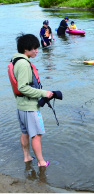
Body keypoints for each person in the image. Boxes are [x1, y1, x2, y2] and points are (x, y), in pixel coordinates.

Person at [8, 34, 54, 167]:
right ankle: (41, 162)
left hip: (21, 105)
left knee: (25, 132)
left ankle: (27, 157)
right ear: (25, 49)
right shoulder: (23, 64)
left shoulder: (16, 61)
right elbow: (23, 87)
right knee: (37, 135)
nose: (37, 51)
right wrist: (44, 93)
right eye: (34, 48)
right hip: (29, 106)